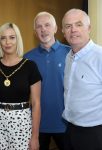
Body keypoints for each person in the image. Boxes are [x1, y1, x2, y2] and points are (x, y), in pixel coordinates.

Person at [0, 23, 41, 150]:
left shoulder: (30, 66)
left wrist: (35, 137)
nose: (7, 42)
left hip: (21, 122)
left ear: (18, 40)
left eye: (12, 37)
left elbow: (36, 103)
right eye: (3, 38)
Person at [24, 12, 70, 150]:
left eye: (47, 25)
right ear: (35, 32)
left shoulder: (70, 53)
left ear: (55, 28)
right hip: (38, 125)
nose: (43, 29)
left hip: (65, 124)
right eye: (39, 26)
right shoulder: (27, 58)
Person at [62, 8, 102, 150]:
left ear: (89, 28)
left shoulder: (99, 56)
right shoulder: (68, 57)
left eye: (78, 24)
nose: (73, 30)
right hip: (70, 129)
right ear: (63, 32)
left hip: (94, 133)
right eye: (68, 26)